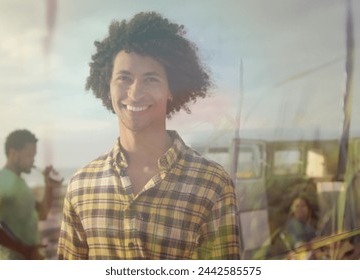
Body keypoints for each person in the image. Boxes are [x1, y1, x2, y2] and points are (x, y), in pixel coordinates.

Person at [57, 11, 240, 260]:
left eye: (151, 79)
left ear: (171, 89)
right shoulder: (81, 185)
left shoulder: (213, 185)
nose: (135, 93)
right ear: (107, 86)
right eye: (124, 78)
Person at [0, 129, 61, 259]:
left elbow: (42, 214)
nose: (33, 161)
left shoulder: (21, 184)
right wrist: (26, 250)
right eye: (29, 155)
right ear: (13, 154)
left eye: (34, 156)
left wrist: (49, 186)